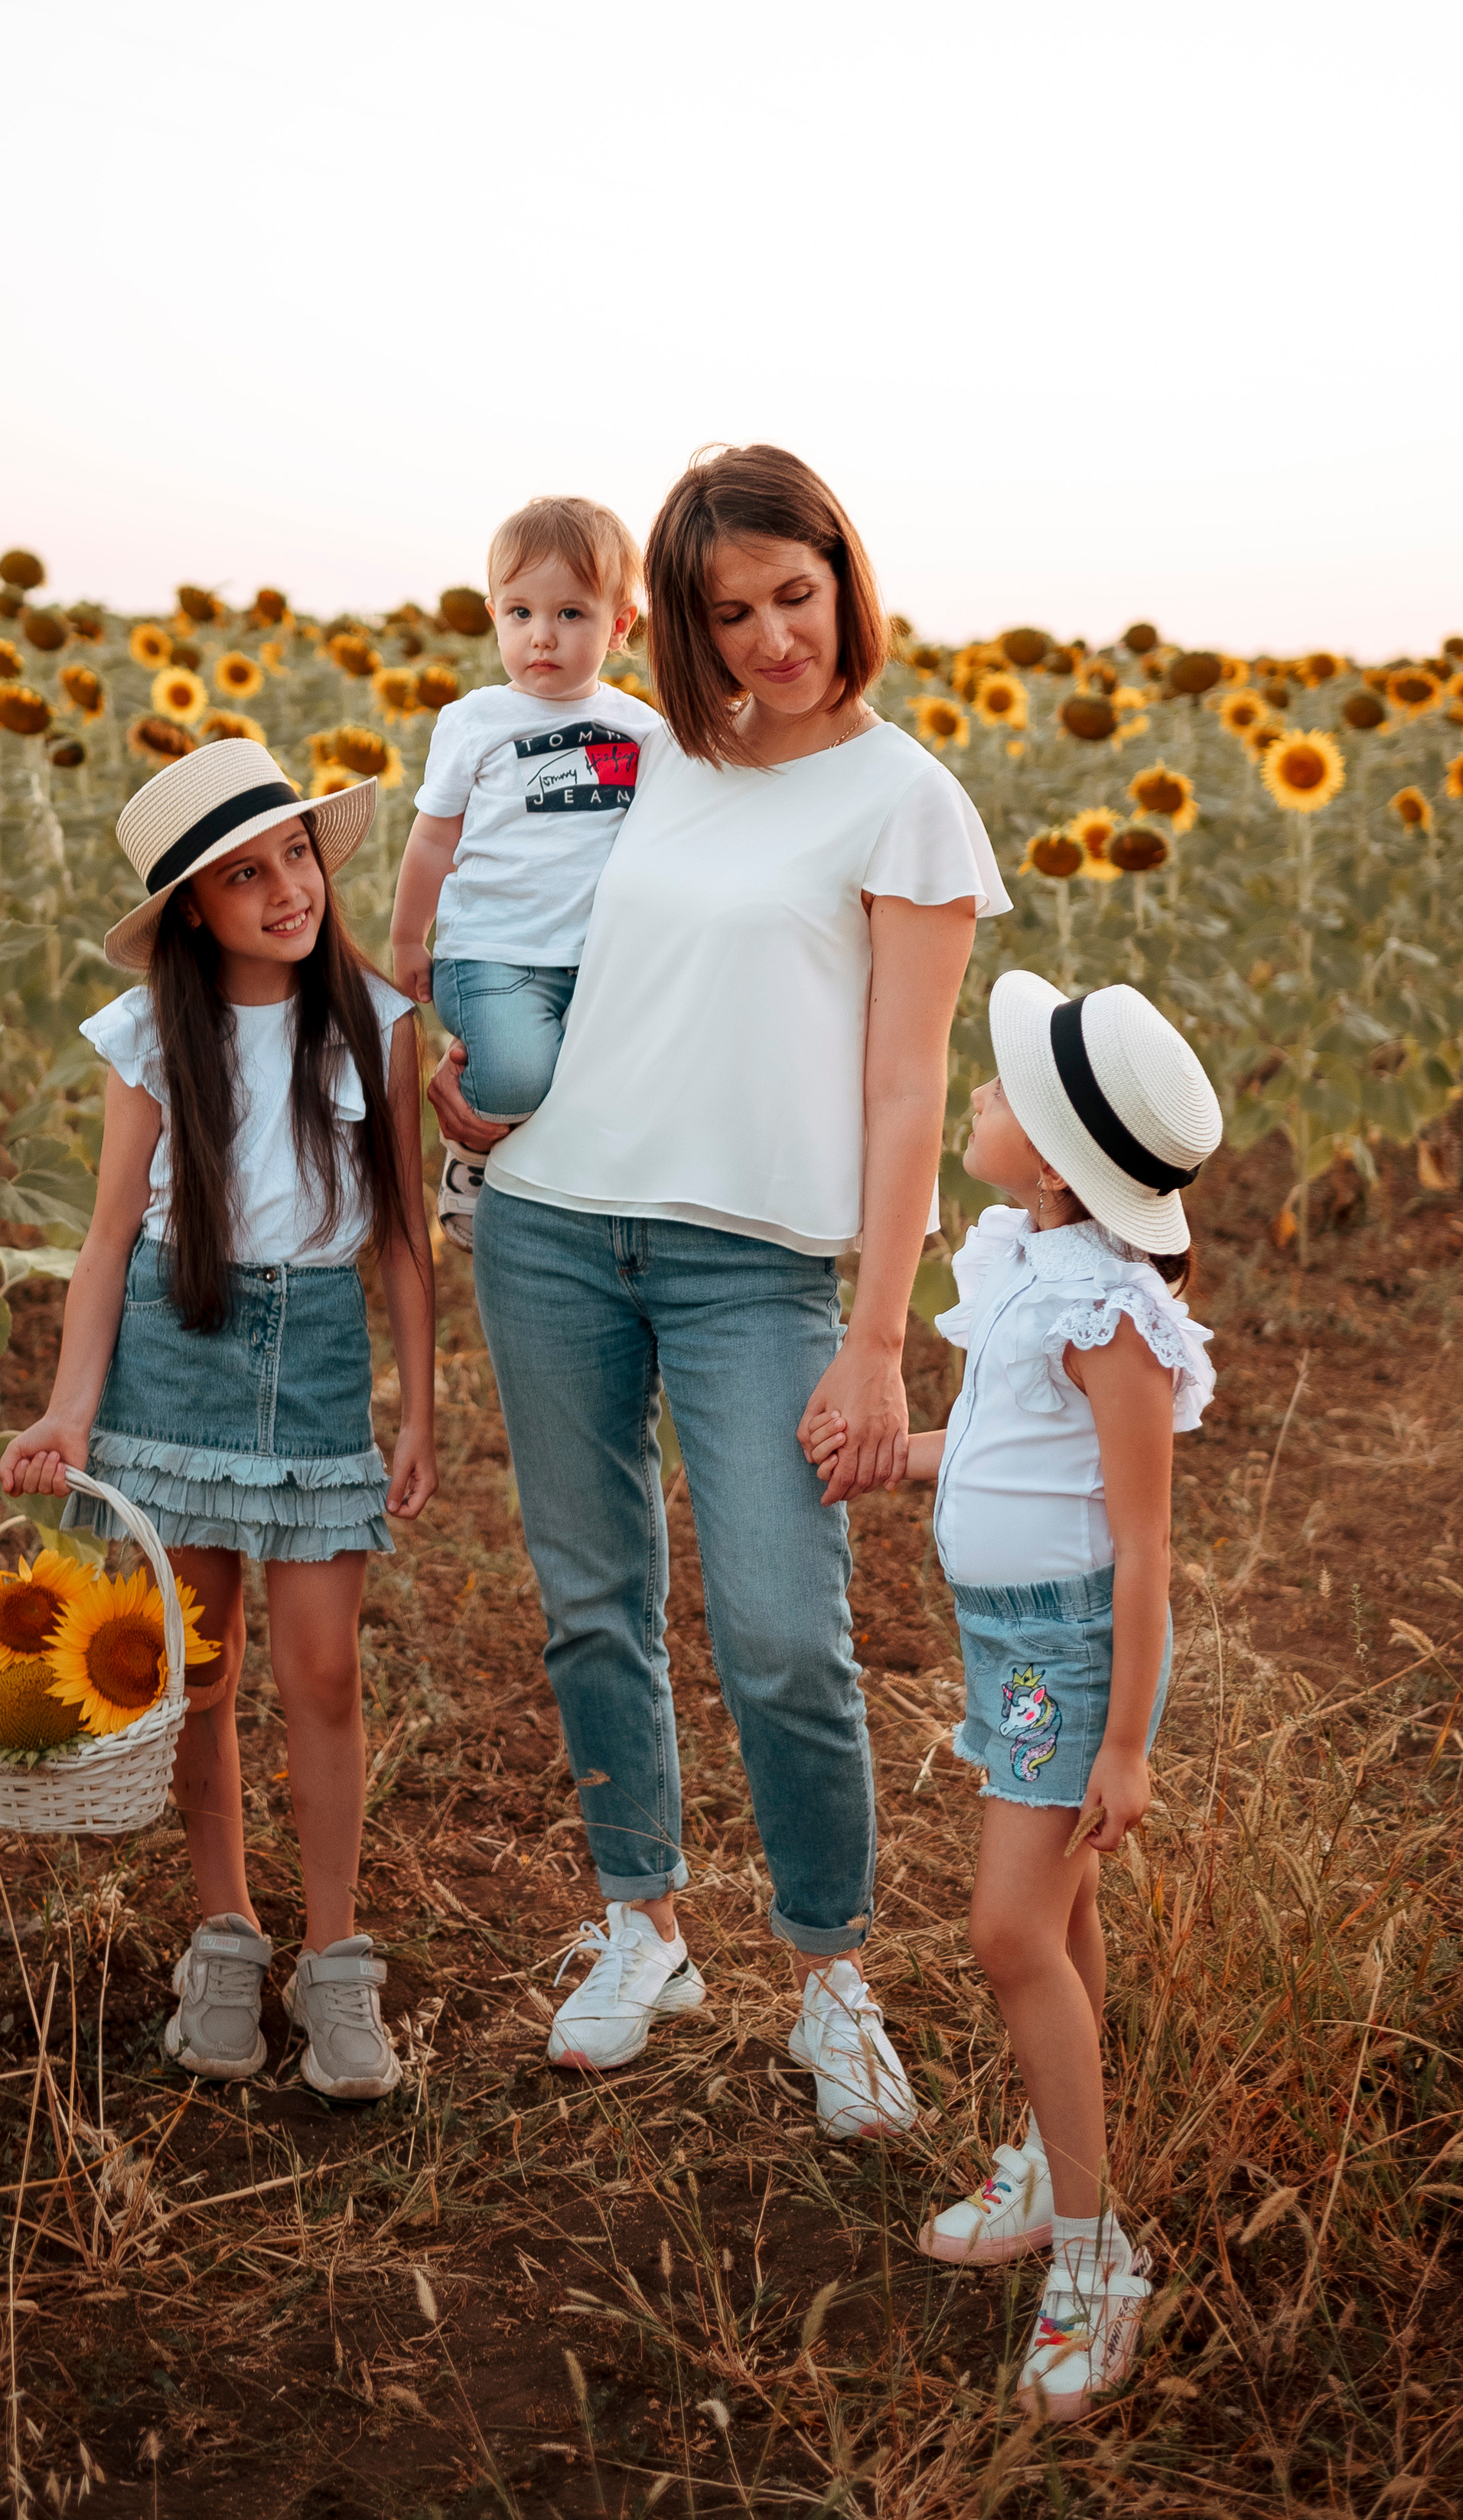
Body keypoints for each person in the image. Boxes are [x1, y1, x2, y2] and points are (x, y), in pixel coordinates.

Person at [428, 444, 1009, 2135]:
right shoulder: (650, 756)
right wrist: (490, 1084)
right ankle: (644, 1922)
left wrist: (883, 1337)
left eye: (795, 596)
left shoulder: (907, 798)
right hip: (548, 1222)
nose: (770, 639)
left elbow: (908, 1087)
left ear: (847, 578)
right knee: (591, 1597)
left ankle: (833, 1973)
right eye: (730, 610)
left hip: (758, 1262)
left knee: (780, 1630)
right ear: (676, 622)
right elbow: (525, 921)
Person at [0, 738, 438, 2098]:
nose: (283, 890)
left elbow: (406, 1239)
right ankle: (225, 1936)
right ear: (194, 906)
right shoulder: (147, 1037)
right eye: (243, 876)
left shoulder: (375, 1016)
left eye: (294, 856)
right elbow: (107, 1234)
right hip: (171, 1358)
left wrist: (416, 1408)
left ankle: (337, 1955)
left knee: (322, 1676)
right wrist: (71, 1409)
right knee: (201, 1673)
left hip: (311, 1366)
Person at [811, 972, 1218, 2417]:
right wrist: (895, 1458)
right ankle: (1058, 2165)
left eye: (989, 1092)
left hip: (1066, 1660)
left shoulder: (1111, 1313)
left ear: (1047, 1157)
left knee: (1002, 1931)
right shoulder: (1020, 1262)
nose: (970, 1097)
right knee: (1061, 1916)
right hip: (1003, 1642)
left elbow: (1140, 1539)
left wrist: (1123, 1743)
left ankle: (1101, 2247)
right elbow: (997, 1454)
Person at [390, 494, 657, 1249]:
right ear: (494, 615)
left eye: (571, 614)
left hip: (597, 961)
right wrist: (411, 938)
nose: (543, 636)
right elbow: (434, 840)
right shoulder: (475, 721)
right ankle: (470, 1158)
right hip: (493, 951)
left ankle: (556, 1209)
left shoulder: (643, 730)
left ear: (621, 622)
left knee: (593, 1097)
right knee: (512, 1077)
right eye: (520, 613)